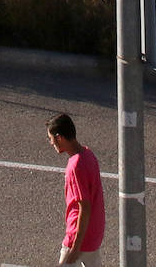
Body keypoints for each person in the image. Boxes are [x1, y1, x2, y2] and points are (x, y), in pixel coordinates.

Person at [46, 113, 105, 266]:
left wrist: (75, 247)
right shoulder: (88, 154)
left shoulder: (75, 166)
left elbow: (84, 207)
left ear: (59, 137)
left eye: (51, 139)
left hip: (78, 238)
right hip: (94, 234)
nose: (51, 143)